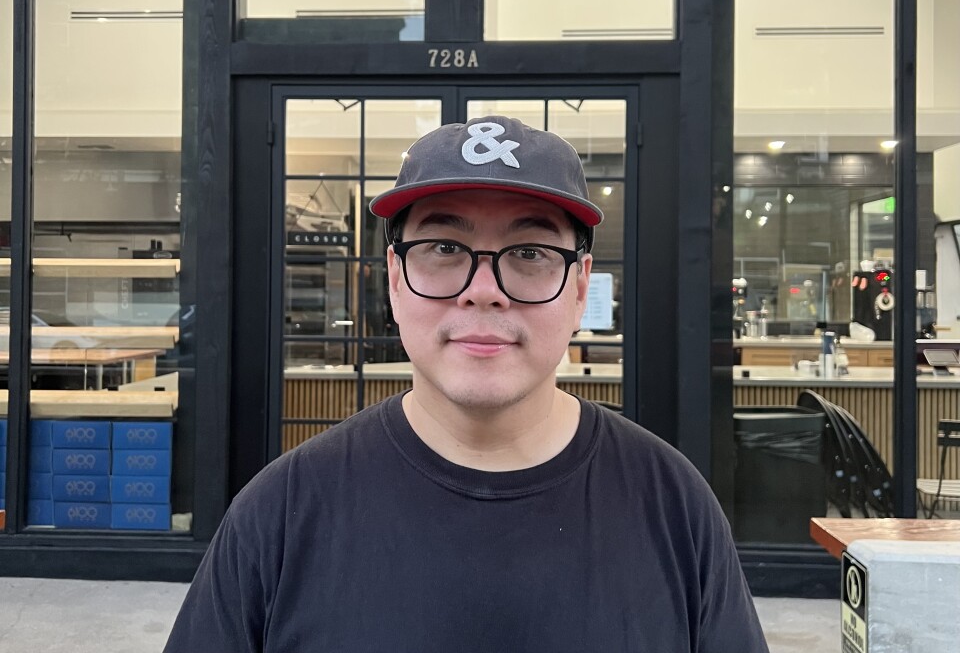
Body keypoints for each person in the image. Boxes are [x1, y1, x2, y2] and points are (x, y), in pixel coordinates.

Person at [164, 116, 769, 653]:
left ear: (580, 286)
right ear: (395, 277)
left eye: (529, 252)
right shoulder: (282, 510)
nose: (484, 290)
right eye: (445, 247)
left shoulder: (673, 503)